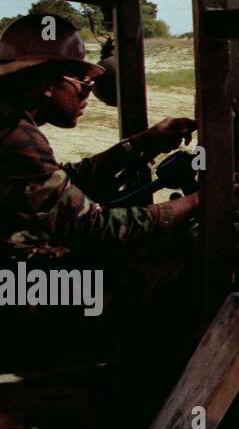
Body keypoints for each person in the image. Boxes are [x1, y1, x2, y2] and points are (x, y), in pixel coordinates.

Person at [0, 13, 200, 267]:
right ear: (48, 83)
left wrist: (141, 143)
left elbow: (60, 181)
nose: (87, 94)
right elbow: (93, 227)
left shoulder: (11, 122)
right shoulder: (15, 135)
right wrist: (196, 202)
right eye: (83, 83)